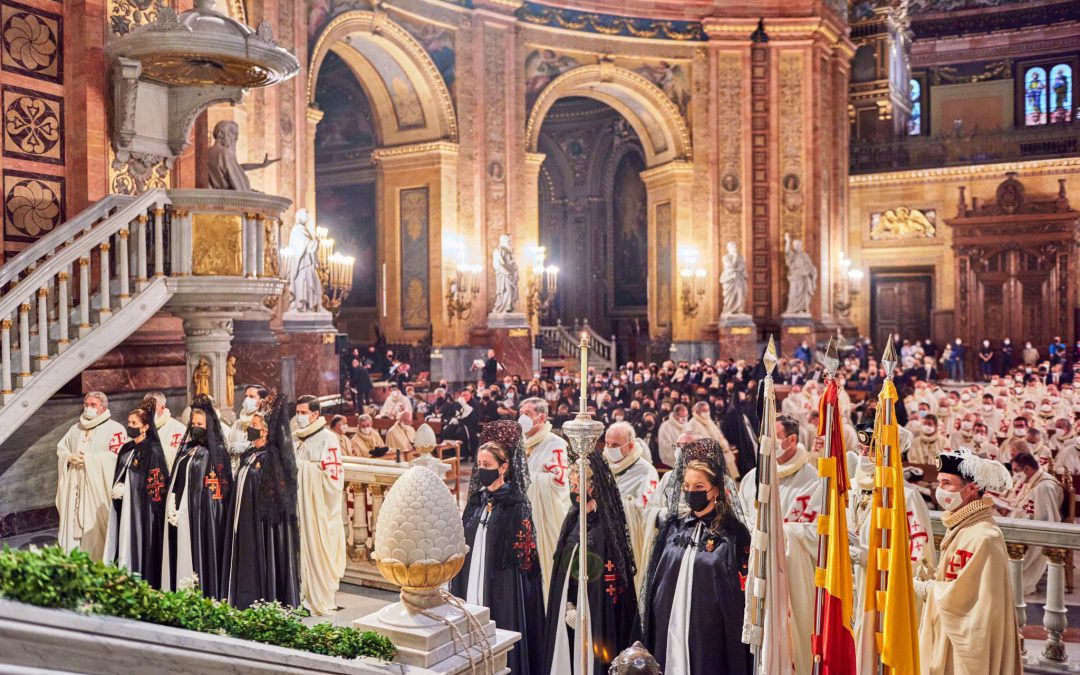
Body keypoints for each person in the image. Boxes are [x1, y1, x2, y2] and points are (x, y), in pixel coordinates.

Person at [641, 438, 752, 674]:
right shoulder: (674, 527)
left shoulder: (733, 533)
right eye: (687, 486)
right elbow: (656, 581)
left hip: (709, 632)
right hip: (669, 625)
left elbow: (737, 594)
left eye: (699, 487)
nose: (692, 492)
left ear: (716, 490)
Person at [449, 421, 544, 675]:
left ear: (504, 467)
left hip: (501, 582)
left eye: (488, 466)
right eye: (480, 465)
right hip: (472, 576)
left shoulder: (516, 503)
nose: (482, 470)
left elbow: (524, 556)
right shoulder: (477, 499)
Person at [915, 448, 1021, 674]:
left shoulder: (984, 536)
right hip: (948, 631)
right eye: (939, 483)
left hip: (967, 643)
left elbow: (974, 605)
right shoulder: (962, 525)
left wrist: (929, 590)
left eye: (947, 484)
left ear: (971, 489)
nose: (940, 490)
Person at [737, 414, 821, 675]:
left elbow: (817, 534)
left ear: (792, 440)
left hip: (792, 575)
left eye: (772, 438)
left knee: (791, 643)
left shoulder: (814, 480)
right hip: (754, 570)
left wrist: (779, 534)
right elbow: (741, 519)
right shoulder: (753, 477)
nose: (765, 444)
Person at [541, 451, 639, 675]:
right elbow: (564, 570)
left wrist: (588, 612)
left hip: (598, 617)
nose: (573, 490)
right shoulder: (574, 518)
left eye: (578, 485)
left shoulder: (607, 529)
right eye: (572, 484)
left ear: (593, 487)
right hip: (572, 612)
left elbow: (606, 582)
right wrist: (566, 604)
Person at [223, 395, 302, 609]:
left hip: (261, 523)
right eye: (250, 425)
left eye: (255, 426)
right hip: (244, 518)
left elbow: (276, 495)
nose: (250, 428)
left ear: (266, 431)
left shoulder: (271, 457)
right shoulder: (250, 453)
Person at [161, 395, 233, 597]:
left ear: (209, 424)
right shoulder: (188, 449)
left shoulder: (215, 452)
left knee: (203, 555)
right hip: (184, 512)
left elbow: (219, 487)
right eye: (193, 423)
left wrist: (202, 507)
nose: (195, 426)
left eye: (200, 423)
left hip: (204, 515)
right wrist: (173, 503)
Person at [104, 398, 170, 589]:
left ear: (145, 427)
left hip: (143, 511)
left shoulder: (153, 451)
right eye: (129, 422)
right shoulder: (127, 447)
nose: (129, 426)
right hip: (124, 506)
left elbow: (156, 484)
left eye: (134, 423)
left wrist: (130, 487)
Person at [292, 395, 346, 616]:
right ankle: (300, 594)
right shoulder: (296, 438)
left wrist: (302, 468)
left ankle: (319, 597)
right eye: (297, 412)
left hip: (318, 511)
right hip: (298, 507)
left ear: (315, 414)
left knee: (317, 549)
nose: (299, 417)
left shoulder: (328, 439)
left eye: (304, 413)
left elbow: (334, 480)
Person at [56, 392, 125, 561]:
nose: (88, 408)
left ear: (103, 408)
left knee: (95, 527)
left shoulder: (115, 429)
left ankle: (99, 561)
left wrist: (89, 460)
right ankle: (73, 560)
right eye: (86, 404)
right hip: (75, 484)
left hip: (97, 487)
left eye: (93, 405)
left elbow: (118, 458)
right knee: (72, 525)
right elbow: (61, 448)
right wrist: (69, 457)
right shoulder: (76, 428)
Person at [519, 397, 570, 597]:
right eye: (521, 413)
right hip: (523, 514)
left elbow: (558, 483)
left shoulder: (555, 444)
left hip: (546, 517)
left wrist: (522, 478)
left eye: (528, 414)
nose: (522, 418)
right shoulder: (520, 442)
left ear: (542, 418)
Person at [1006, 451, 1063, 595]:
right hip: (1022, 523)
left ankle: (1013, 581)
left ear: (1027, 469)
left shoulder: (1045, 487)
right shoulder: (1034, 480)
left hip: (1034, 532)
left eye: (1016, 471)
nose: (1015, 475)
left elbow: (1046, 519)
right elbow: (1023, 504)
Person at [686, 401, 738, 479]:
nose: (707, 413)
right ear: (697, 411)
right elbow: (696, 443)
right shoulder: (692, 424)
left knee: (728, 458)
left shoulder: (709, 420)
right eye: (704, 411)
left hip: (717, 450)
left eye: (708, 410)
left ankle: (728, 486)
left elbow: (719, 435)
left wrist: (723, 445)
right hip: (704, 455)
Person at [227, 384, 268, 471]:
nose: (247, 399)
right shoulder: (237, 424)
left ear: (261, 401)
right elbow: (227, 444)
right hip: (235, 470)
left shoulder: (262, 423)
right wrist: (231, 447)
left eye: (251, 396)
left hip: (254, 471)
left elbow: (262, 446)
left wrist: (245, 447)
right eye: (246, 396)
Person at [147, 392, 187, 473]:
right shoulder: (141, 426)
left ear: (162, 408)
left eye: (151, 407)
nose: (147, 411)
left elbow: (179, 459)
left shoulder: (178, 429)